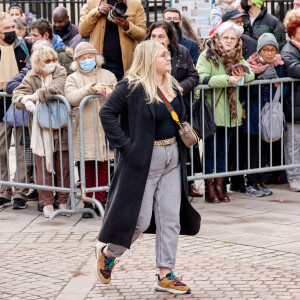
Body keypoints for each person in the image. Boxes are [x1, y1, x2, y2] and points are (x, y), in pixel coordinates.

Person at [96, 39, 200, 294]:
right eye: (164, 55)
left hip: (172, 158)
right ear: (149, 59)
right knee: (139, 221)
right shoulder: (130, 86)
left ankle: (165, 274)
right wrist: (125, 145)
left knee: (170, 219)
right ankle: (109, 254)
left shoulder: (171, 84)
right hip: (144, 160)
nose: (169, 59)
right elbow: (106, 113)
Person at [197, 22, 255, 203]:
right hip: (212, 110)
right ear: (219, 38)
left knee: (223, 152)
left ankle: (220, 187)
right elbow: (201, 77)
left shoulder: (238, 55)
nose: (229, 41)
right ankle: (209, 189)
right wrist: (227, 79)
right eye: (226, 37)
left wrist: (241, 75)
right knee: (211, 152)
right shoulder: (207, 55)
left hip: (230, 113)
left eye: (233, 38)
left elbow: (251, 74)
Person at [12, 45, 69, 218]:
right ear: (38, 62)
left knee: (63, 165)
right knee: (42, 166)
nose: (52, 63)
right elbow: (17, 93)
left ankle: (64, 201)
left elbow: (57, 88)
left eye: (53, 60)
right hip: (40, 128)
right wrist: (24, 100)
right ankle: (47, 202)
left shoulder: (60, 71)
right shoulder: (32, 75)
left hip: (61, 126)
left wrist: (36, 96)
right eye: (47, 61)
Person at [148, 21, 202, 197]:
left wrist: (179, 87)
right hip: (154, 109)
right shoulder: (145, 53)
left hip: (178, 108)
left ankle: (188, 184)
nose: (157, 39)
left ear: (170, 38)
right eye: (153, 36)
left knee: (183, 148)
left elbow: (194, 76)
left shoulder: (181, 52)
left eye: (161, 36)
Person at [65, 42, 117, 218]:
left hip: (104, 127)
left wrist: (110, 92)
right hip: (83, 128)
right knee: (86, 165)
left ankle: (101, 199)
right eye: (82, 58)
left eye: (90, 56)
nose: (87, 60)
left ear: (96, 57)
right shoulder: (72, 78)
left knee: (102, 164)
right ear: (77, 61)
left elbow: (118, 94)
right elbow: (71, 97)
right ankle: (87, 201)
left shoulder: (108, 75)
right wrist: (90, 89)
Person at [245, 33, 287, 196]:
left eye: (272, 50)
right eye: (265, 50)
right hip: (255, 112)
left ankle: (260, 181)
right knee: (254, 149)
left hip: (271, 113)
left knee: (265, 148)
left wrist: (276, 83)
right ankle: (251, 182)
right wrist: (261, 79)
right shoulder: (251, 65)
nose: (269, 53)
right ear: (259, 50)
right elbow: (249, 91)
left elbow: (285, 89)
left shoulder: (279, 65)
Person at [0, 12, 32, 210]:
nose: (11, 31)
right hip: (0, 109)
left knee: (21, 151)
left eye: (13, 27)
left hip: (19, 105)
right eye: (6, 29)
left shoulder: (25, 47)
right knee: (1, 150)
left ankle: (21, 192)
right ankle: (4, 190)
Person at [78, 0, 147, 81]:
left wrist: (127, 26)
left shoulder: (135, 3)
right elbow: (83, 31)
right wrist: (97, 11)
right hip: (99, 65)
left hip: (126, 67)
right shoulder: (92, 2)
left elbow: (142, 35)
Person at [281, 19, 300, 191]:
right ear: (293, 33)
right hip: (294, 106)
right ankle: (294, 177)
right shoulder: (288, 50)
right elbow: (295, 70)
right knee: (293, 145)